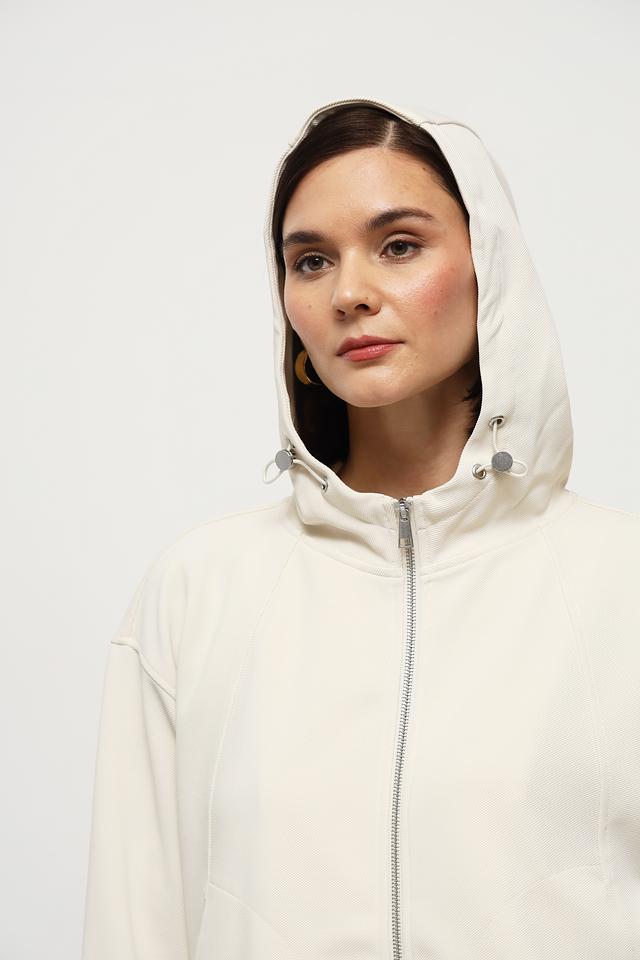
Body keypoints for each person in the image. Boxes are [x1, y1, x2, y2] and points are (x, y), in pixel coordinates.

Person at [81, 97, 640, 959]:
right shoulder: (199, 591)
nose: (349, 293)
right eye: (310, 261)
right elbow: (134, 927)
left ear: (489, 266)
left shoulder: (619, 583)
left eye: (399, 245)